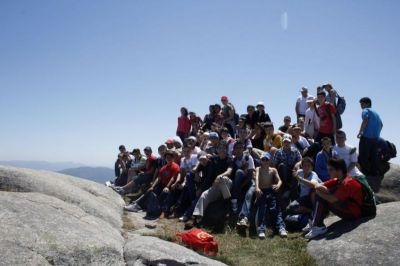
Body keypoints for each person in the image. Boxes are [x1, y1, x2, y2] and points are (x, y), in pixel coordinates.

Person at [301, 158, 364, 239]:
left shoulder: (347, 183)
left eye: (331, 169)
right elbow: (318, 185)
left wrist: (319, 192)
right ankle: (315, 222)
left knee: (321, 196)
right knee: (319, 192)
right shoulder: (337, 180)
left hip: (353, 214)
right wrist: (321, 189)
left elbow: (331, 199)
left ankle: (317, 225)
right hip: (347, 207)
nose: (328, 172)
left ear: (339, 170)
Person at [124, 150, 181, 219]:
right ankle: (138, 205)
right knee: (150, 191)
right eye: (167, 158)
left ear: (173, 158)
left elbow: (172, 178)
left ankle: (156, 211)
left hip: (170, 187)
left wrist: (167, 187)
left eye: (170, 158)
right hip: (162, 185)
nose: (168, 159)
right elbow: (159, 178)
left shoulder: (175, 167)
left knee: (164, 193)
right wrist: (153, 186)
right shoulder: (164, 167)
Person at [191, 142, 234, 226]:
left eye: (224, 148)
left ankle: (226, 206)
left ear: (227, 150)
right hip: (216, 185)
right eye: (220, 148)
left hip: (227, 183)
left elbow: (229, 171)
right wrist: (196, 171)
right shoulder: (214, 159)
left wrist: (219, 176)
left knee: (223, 178)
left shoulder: (230, 159)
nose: (222, 150)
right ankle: (195, 217)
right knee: (204, 195)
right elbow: (203, 161)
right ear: (217, 150)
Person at [255, 152, 288, 239]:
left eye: (266, 159)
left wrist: (278, 185)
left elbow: (279, 180)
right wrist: (257, 188)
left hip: (271, 191)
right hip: (261, 191)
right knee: (263, 208)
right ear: (260, 160)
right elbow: (257, 178)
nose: (265, 161)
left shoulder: (273, 170)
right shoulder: (258, 169)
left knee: (276, 208)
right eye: (263, 159)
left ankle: (281, 228)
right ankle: (261, 230)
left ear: (270, 161)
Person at [288, 157, 321, 227]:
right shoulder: (300, 172)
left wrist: (300, 179)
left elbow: (313, 185)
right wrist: (296, 168)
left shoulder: (313, 174)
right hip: (302, 198)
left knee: (313, 189)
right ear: (302, 166)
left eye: (309, 166)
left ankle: (314, 211)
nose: (306, 168)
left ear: (312, 167)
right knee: (291, 208)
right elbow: (294, 171)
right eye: (305, 166)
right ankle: (311, 211)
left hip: (311, 197)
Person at [273, 134, 302, 204]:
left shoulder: (295, 151)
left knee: (297, 169)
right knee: (282, 165)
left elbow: (301, 160)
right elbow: (274, 165)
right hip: (282, 172)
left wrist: (297, 164)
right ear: (282, 142)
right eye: (285, 142)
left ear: (291, 142)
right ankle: (286, 186)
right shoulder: (278, 152)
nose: (286, 143)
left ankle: (292, 192)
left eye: (288, 142)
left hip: (292, 170)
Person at [357, 97, 383, 176]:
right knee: (373, 156)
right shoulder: (376, 113)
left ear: (367, 104)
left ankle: (366, 173)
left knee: (363, 156)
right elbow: (381, 125)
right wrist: (377, 134)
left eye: (362, 103)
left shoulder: (366, 110)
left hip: (366, 137)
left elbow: (366, 119)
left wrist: (360, 132)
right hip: (375, 138)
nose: (361, 105)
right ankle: (374, 172)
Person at [230, 140, 256, 214]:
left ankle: (244, 215)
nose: (238, 150)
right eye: (237, 148)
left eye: (240, 148)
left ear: (243, 149)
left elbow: (250, 175)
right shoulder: (233, 159)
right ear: (234, 149)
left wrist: (241, 187)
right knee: (238, 172)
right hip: (238, 180)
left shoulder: (248, 158)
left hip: (249, 180)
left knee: (249, 194)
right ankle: (234, 200)